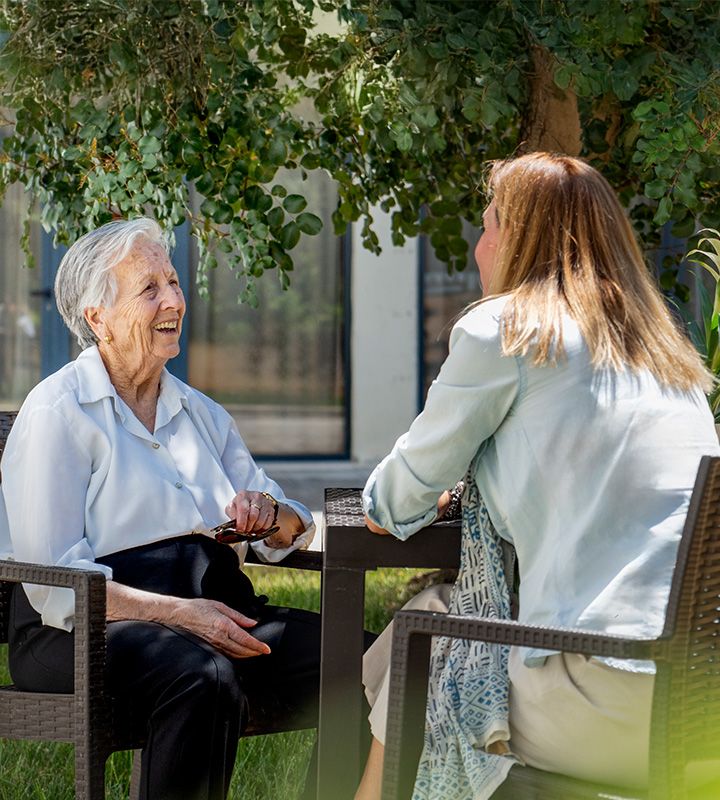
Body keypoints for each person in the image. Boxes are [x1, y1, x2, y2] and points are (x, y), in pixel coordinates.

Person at [356, 152, 720, 800]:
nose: (478, 244)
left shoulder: (506, 329)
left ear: (521, 238)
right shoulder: (665, 348)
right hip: (700, 701)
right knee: (415, 641)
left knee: (428, 636)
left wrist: (418, 492)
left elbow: (394, 496)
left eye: (490, 223)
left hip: (611, 699)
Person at [0, 218, 321, 800]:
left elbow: (293, 528)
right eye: (150, 289)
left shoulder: (200, 413)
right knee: (203, 675)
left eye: (174, 281)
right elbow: (56, 586)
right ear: (98, 318)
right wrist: (178, 614)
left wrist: (270, 512)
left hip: (215, 610)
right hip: (76, 629)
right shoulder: (58, 412)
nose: (175, 299)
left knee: (371, 659)